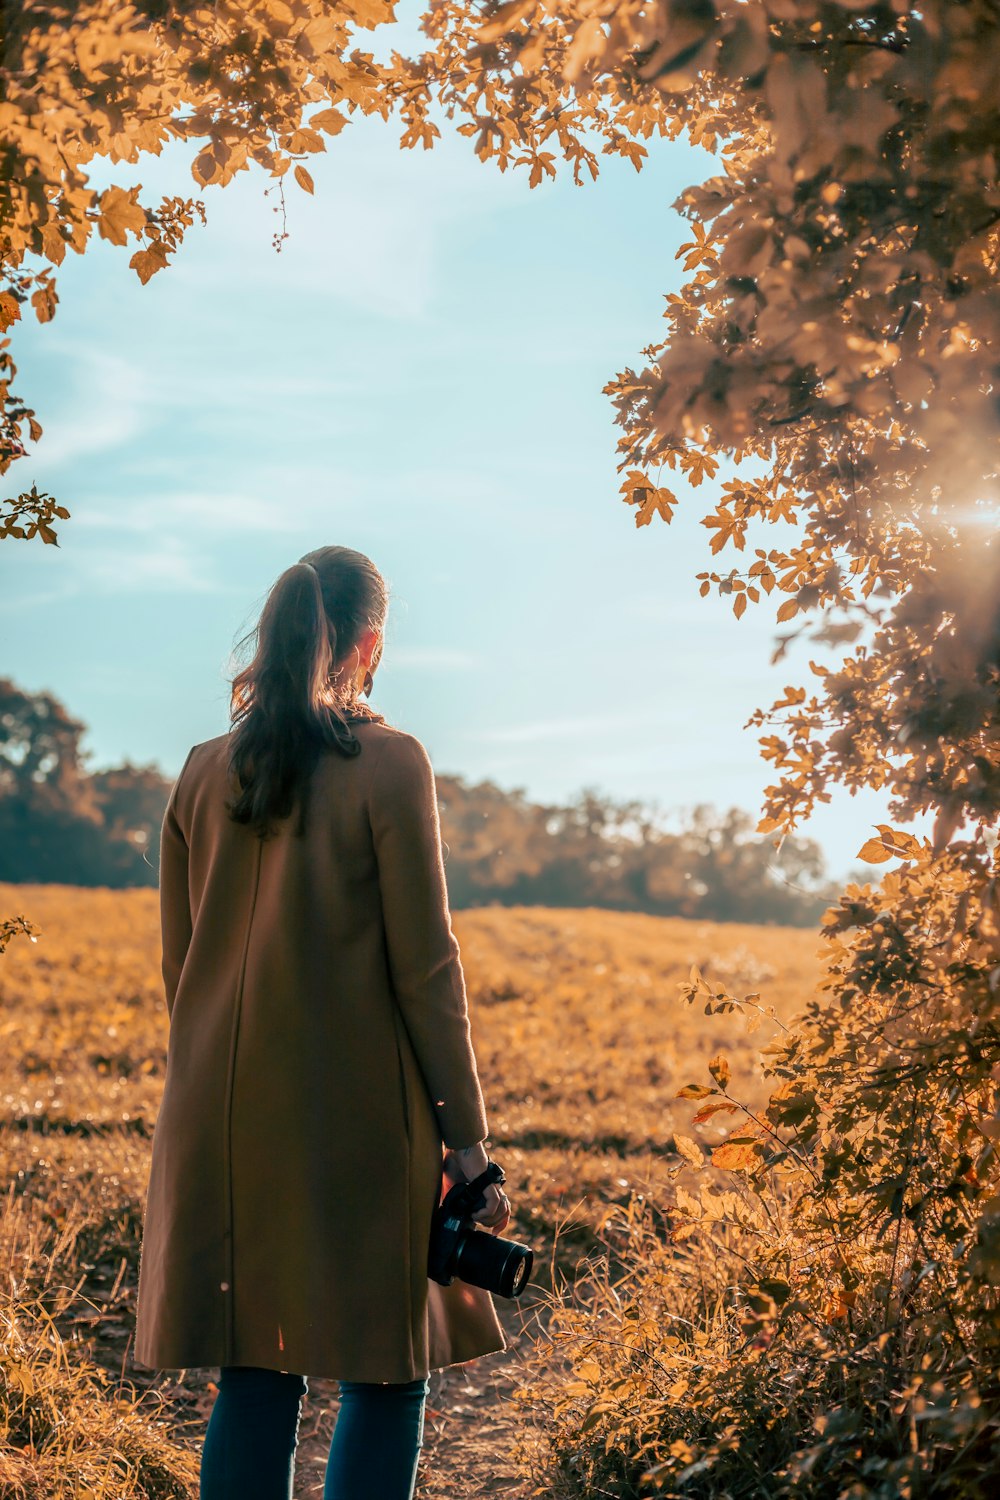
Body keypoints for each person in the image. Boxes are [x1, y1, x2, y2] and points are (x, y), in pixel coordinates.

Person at [132, 545, 512, 1500]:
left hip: (220, 1120)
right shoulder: (391, 763)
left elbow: (184, 973)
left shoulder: (200, 772)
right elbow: (427, 970)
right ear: (370, 645)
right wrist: (467, 1147)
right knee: (386, 1371)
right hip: (356, 1120)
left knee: (254, 1374)